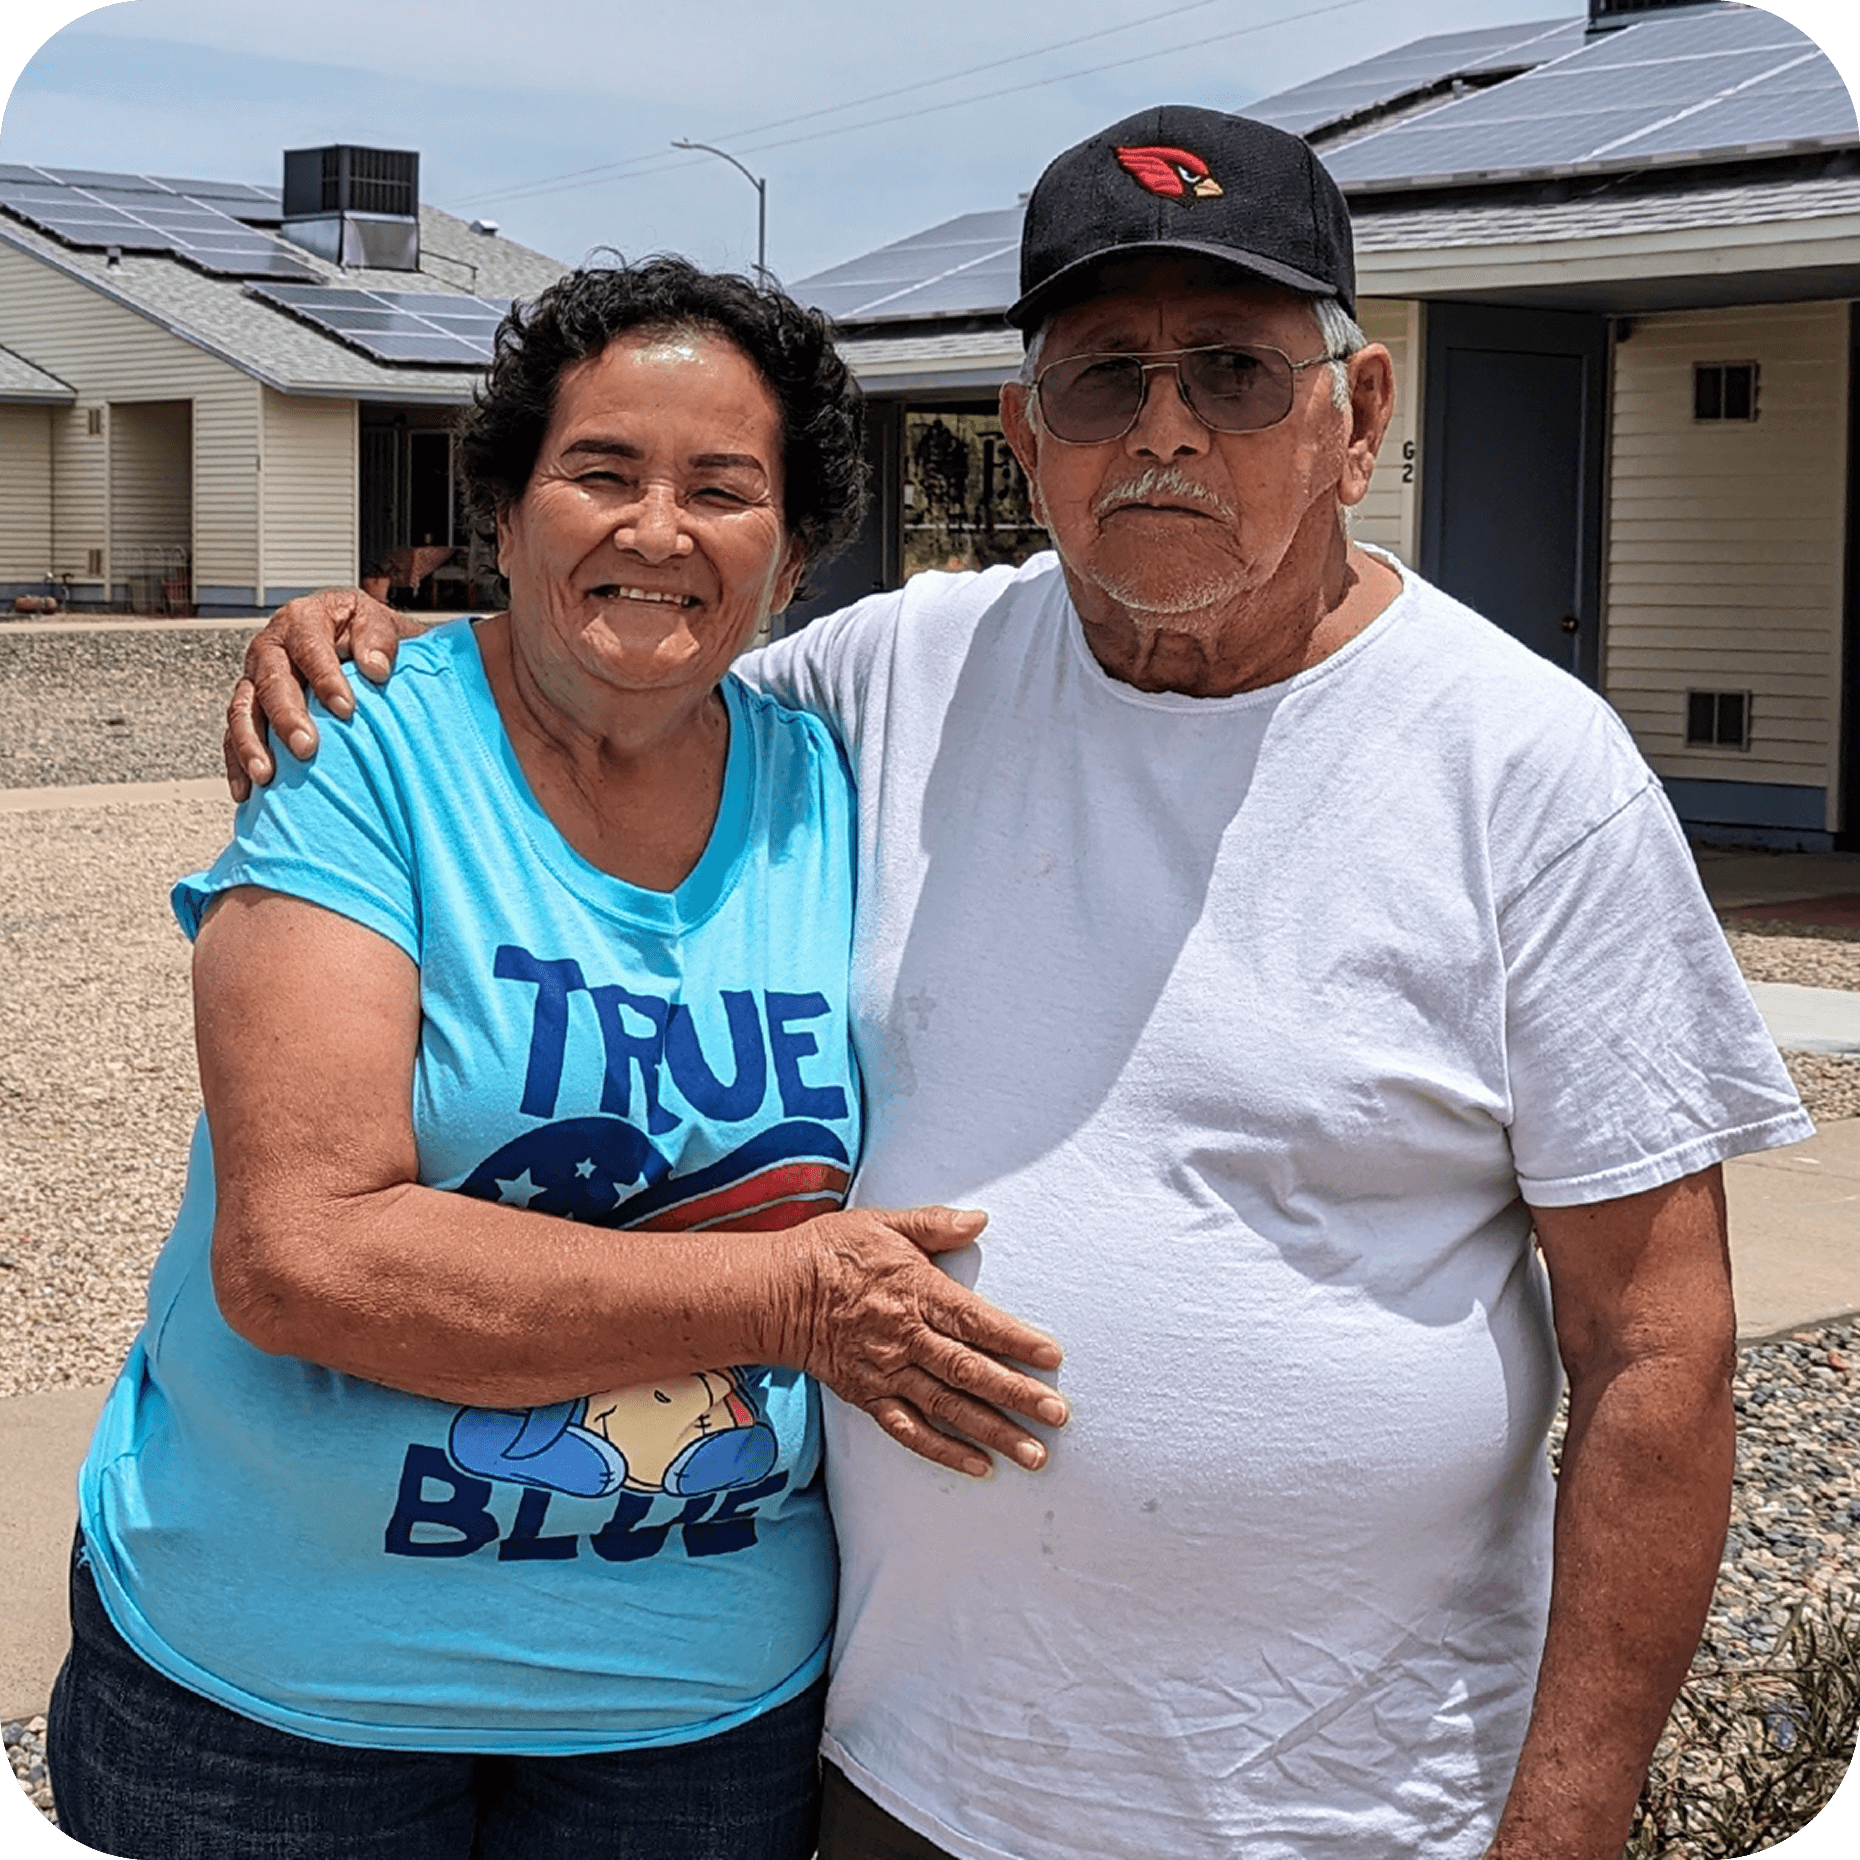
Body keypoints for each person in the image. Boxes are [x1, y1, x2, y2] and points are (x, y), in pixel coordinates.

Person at [226, 110, 1812, 1860]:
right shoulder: (905, 672)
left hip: (1354, 1810)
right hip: (907, 1779)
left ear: (1358, 418)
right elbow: (628, 646)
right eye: (1102, 378)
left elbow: (1659, 1346)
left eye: (1236, 371)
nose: (1165, 429)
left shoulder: (1527, 771)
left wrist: (1570, 1818)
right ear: (1022, 435)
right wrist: (380, 643)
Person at [49, 255, 1067, 1860]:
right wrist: (797, 1301)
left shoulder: (842, 787)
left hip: (692, 1728)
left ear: (793, 556)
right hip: (278, 1715)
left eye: (723, 490)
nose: (656, 530)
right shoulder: (365, 746)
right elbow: (304, 1257)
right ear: (505, 517)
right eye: (599, 472)